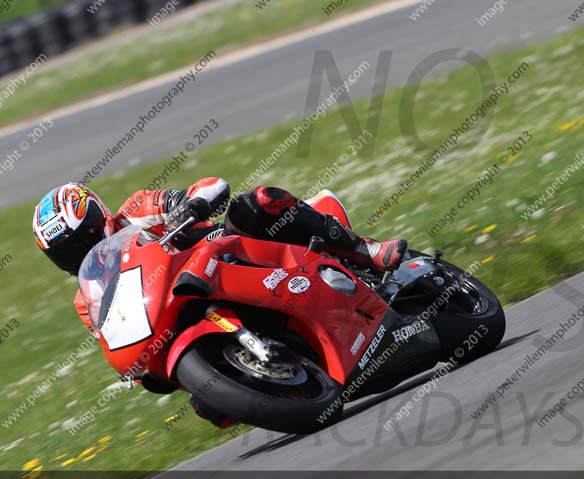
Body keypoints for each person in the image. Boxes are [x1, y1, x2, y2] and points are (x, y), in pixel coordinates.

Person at [32, 178, 406, 426]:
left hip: (230, 255)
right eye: (67, 253)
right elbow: (120, 340)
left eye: (83, 238)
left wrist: (190, 205)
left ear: (100, 218)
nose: (82, 252)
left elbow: (211, 186)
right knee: (210, 407)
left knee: (259, 202)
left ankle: (365, 250)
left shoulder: (136, 210)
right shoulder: (88, 298)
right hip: (185, 310)